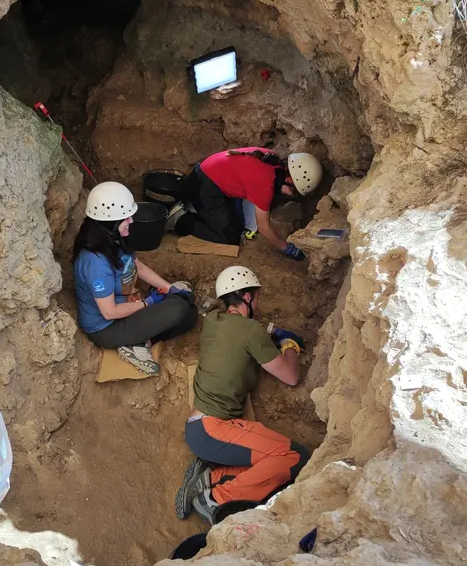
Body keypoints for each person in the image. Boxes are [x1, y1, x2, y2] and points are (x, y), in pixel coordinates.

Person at [175, 266, 311, 524]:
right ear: (247, 297)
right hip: (215, 429)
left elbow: (242, 329)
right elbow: (291, 377)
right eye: (256, 298)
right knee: (294, 456)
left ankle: (209, 477)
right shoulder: (251, 331)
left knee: (269, 458)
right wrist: (289, 346)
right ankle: (215, 499)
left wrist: (269, 332)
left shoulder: (213, 319)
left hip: (200, 428)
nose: (258, 303)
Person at [73, 181, 198, 375]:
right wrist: (148, 303)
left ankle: (140, 339)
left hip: (127, 305)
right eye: (126, 218)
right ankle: (134, 343)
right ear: (111, 222)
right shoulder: (96, 263)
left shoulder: (113, 240)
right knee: (179, 309)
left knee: (189, 310)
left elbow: (137, 266)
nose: (131, 221)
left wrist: (170, 288)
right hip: (107, 328)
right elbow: (109, 312)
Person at [169, 148, 323, 260]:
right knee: (229, 238)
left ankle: (200, 210)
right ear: (289, 180)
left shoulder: (272, 158)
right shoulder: (264, 184)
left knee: (237, 226)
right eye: (293, 190)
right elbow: (264, 229)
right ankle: (180, 220)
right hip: (202, 186)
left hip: (209, 173)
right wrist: (287, 248)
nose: (291, 194)